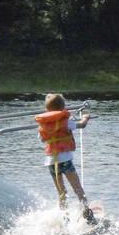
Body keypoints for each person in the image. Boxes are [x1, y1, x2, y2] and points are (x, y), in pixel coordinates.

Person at [35, 93, 96, 224]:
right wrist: (86, 117)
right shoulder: (66, 121)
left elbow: (41, 139)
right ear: (63, 108)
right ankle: (87, 212)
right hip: (66, 161)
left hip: (51, 162)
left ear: (47, 110)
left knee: (61, 192)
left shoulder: (43, 125)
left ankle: (65, 218)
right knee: (77, 188)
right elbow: (81, 125)